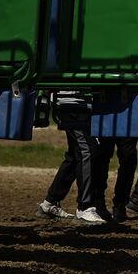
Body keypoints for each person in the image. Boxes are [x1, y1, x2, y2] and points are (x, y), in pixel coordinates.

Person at [36, 90, 105, 224]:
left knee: (75, 154)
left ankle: (50, 202)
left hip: (78, 101)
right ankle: (84, 208)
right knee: (88, 150)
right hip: (71, 102)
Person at [90, 135, 138, 222]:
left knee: (129, 156)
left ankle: (121, 203)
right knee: (102, 155)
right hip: (106, 123)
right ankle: (98, 201)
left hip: (128, 123)